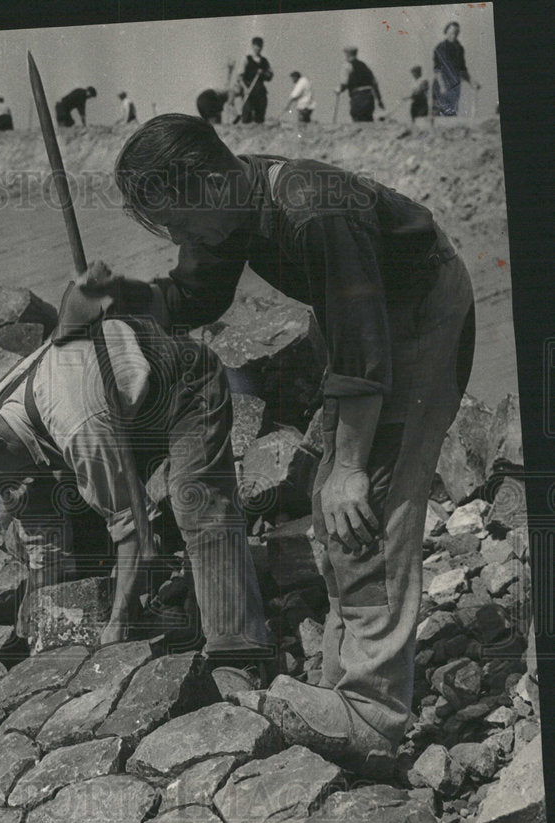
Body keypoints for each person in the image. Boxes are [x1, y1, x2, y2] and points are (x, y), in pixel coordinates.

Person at [77, 113, 475, 777]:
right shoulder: (227, 203)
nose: (175, 237)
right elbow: (193, 295)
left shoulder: (314, 209)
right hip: (363, 315)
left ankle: (374, 712)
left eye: (175, 221)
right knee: (332, 504)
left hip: (415, 310)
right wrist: (117, 300)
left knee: (368, 502)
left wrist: (350, 462)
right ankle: (348, 676)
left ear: (207, 182)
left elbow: (361, 347)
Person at [0, 291, 273, 689]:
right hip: (119, 420)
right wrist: (36, 611)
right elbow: (43, 544)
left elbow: (132, 526)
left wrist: (118, 624)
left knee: (196, 504)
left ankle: (239, 653)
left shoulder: (72, 419)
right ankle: (141, 586)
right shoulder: (2, 417)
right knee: (30, 520)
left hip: (182, 388)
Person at [433, 21, 480, 116]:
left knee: (452, 114)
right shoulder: (440, 48)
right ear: (446, 32)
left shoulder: (459, 48)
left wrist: (471, 82)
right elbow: (437, 69)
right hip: (442, 85)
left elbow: (462, 69)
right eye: (451, 33)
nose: (453, 35)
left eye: (456, 33)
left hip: (455, 86)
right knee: (440, 113)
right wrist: (442, 86)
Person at [337, 46, 383, 122]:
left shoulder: (347, 65)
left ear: (347, 55)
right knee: (368, 120)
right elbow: (375, 83)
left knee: (357, 119)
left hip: (357, 97)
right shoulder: (364, 66)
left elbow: (344, 83)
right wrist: (379, 100)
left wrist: (338, 90)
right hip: (369, 97)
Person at [238, 37, 273, 123]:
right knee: (247, 116)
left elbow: (270, 76)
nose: (258, 48)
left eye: (260, 46)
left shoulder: (264, 61)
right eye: (256, 46)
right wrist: (245, 88)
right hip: (249, 90)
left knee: (260, 116)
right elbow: (239, 77)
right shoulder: (246, 59)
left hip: (260, 91)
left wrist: (263, 73)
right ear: (253, 46)